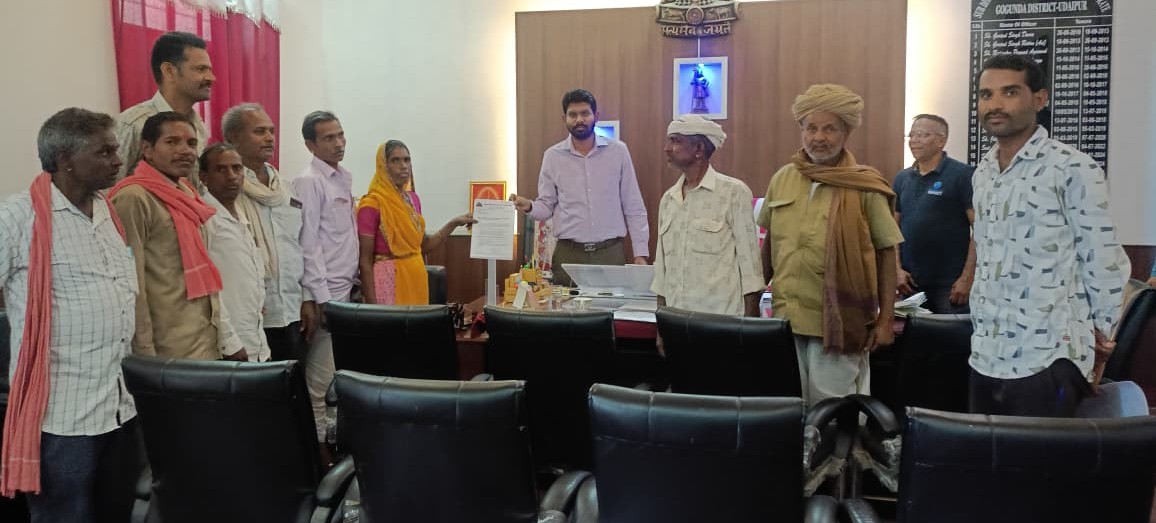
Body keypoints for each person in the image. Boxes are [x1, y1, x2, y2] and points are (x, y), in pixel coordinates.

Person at [0, 108, 144, 520]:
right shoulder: (19, 216)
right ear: (65, 159)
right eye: (105, 152)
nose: (117, 160)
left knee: (116, 511)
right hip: (63, 417)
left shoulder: (107, 210)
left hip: (119, 405)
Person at [968, 54, 1130, 417]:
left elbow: (1104, 260)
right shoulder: (983, 173)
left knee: (1042, 455)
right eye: (986, 94)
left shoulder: (1072, 167)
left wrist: (1102, 341)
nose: (995, 104)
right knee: (987, 453)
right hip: (986, 351)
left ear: (1039, 99)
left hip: (1048, 355)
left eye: (1010, 92)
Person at [757, 84, 903, 406]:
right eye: (811, 128)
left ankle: (837, 442)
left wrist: (885, 321)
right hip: (786, 319)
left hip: (840, 323)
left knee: (833, 409)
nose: (819, 137)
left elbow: (886, 253)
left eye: (829, 129)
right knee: (788, 405)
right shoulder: (783, 178)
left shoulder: (865, 184)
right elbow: (769, 246)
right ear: (801, 130)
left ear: (846, 132)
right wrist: (752, 307)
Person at [110, 112, 245, 360]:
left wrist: (228, 339)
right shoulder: (133, 198)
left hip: (204, 338)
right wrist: (145, 355)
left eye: (191, 143)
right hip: (167, 347)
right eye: (172, 142)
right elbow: (131, 282)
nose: (185, 151)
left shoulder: (186, 193)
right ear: (147, 149)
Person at [509, 89, 650, 286]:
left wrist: (640, 253)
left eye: (585, 113)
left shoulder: (618, 152)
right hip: (569, 254)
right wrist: (529, 206)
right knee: (565, 306)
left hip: (609, 253)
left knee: (609, 306)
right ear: (564, 119)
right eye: (573, 115)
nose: (579, 120)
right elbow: (546, 206)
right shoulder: (553, 156)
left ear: (596, 116)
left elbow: (633, 205)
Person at [221, 103, 317, 362]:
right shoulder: (225, 191)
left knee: (293, 382)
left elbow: (300, 247)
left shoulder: (286, 188)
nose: (269, 138)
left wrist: (307, 298)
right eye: (259, 131)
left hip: (293, 309)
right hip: (252, 314)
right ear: (233, 137)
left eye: (271, 131)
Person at [651, 115, 763, 317]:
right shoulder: (669, 199)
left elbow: (751, 272)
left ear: (699, 149)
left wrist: (748, 327)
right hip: (676, 321)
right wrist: (662, 322)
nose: (667, 148)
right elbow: (661, 273)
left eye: (675, 141)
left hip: (721, 322)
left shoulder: (733, 193)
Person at [292, 111, 359, 445]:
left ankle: (332, 441)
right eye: (329, 138)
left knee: (337, 375)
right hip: (327, 294)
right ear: (310, 144)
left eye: (341, 135)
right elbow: (307, 242)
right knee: (319, 383)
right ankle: (318, 452)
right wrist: (321, 299)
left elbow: (342, 238)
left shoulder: (341, 177)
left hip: (346, 289)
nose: (339, 143)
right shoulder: (309, 181)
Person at [357, 140, 474, 305]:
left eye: (407, 160)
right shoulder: (371, 204)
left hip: (416, 278)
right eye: (395, 160)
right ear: (383, 166)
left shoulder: (412, 200)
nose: (403, 166)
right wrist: (371, 306)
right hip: (388, 281)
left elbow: (423, 246)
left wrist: (453, 224)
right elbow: (365, 261)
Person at [892, 114, 976, 314]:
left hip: (950, 284)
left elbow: (980, 230)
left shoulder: (963, 175)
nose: (914, 140)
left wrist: (967, 278)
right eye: (912, 135)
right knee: (912, 333)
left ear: (941, 141)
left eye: (922, 135)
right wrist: (896, 269)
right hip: (910, 283)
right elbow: (892, 229)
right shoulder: (902, 178)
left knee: (950, 334)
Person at [199, 143, 270, 362]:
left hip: (256, 340)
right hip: (228, 346)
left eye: (237, 168)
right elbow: (206, 288)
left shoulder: (240, 213)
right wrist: (230, 342)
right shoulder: (203, 218)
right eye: (221, 169)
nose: (231, 176)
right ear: (204, 177)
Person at [116, 31, 214, 179]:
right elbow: (107, 188)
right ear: (169, 71)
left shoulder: (198, 126)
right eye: (201, 69)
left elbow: (194, 186)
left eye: (209, 70)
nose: (211, 78)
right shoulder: (133, 124)